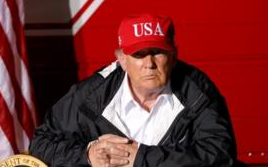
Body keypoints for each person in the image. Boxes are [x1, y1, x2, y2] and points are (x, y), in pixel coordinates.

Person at [29, 13, 237, 166]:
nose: (149, 63)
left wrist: (140, 158)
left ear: (173, 56)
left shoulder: (198, 92)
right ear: (121, 59)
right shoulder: (91, 95)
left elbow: (221, 155)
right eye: (139, 54)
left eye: (158, 52)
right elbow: (41, 143)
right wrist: (88, 154)